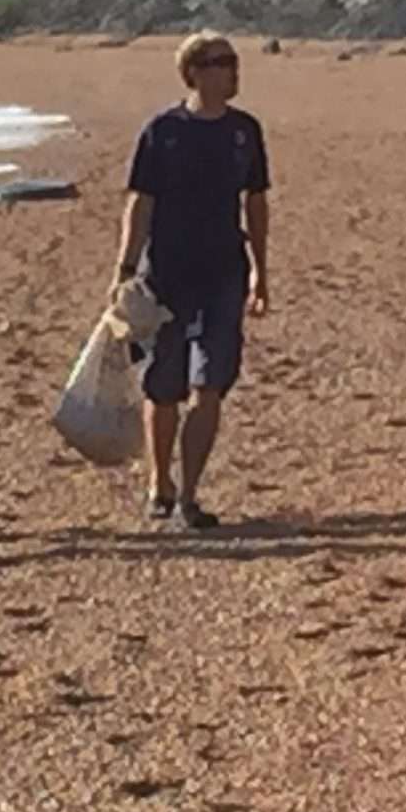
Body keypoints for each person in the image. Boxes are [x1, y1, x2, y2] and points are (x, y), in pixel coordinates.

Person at [109, 33, 271, 531]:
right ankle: (160, 482)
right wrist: (124, 268)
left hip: (223, 273)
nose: (233, 71)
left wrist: (262, 271)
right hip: (167, 275)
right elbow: (140, 202)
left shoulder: (245, 131)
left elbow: (256, 202)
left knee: (210, 386)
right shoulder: (163, 131)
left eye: (234, 63)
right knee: (163, 387)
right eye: (222, 63)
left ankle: (192, 493)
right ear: (195, 72)